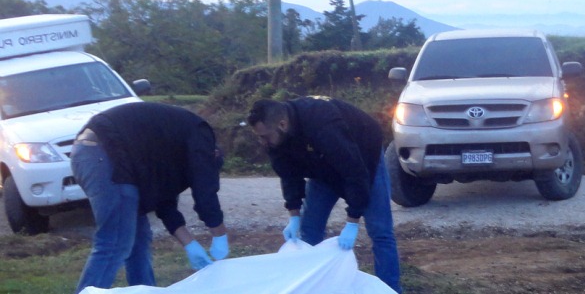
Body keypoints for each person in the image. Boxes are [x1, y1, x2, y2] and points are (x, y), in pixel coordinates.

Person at [247, 96, 401, 293]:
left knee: (380, 231)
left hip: (363, 158)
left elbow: (354, 172)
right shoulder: (274, 139)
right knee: (308, 230)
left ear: (282, 124)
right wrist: (294, 215)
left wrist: (352, 222)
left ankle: (389, 289)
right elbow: (288, 175)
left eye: (265, 136)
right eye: (259, 137)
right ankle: (311, 286)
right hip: (321, 166)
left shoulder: (323, 124)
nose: (262, 142)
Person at [71, 102, 229, 293]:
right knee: (116, 242)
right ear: (214, 154)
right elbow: (205, 191)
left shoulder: (173, 155)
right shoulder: (201, 136)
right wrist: (220, 236)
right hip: (105, 153)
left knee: (139, 239)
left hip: (96, 153)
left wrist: (190, 244)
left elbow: (164, 203)